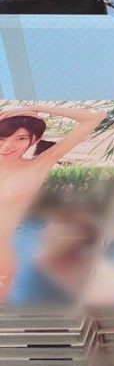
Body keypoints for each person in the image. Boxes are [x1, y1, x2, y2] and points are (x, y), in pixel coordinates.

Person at [0, 104, 105, 302]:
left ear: (35, 139)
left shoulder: (39, 165)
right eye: (2, 138)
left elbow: (94, 117)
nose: (7, 147)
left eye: (20, 138)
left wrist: (35, 107)